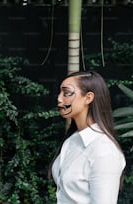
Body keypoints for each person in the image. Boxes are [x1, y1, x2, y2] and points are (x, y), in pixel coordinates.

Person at [51, 71, 126, 204]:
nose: (59, 99)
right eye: (60, 93)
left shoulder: (104, 151)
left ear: (88, 98)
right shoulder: (72, 140)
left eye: (66, 93)